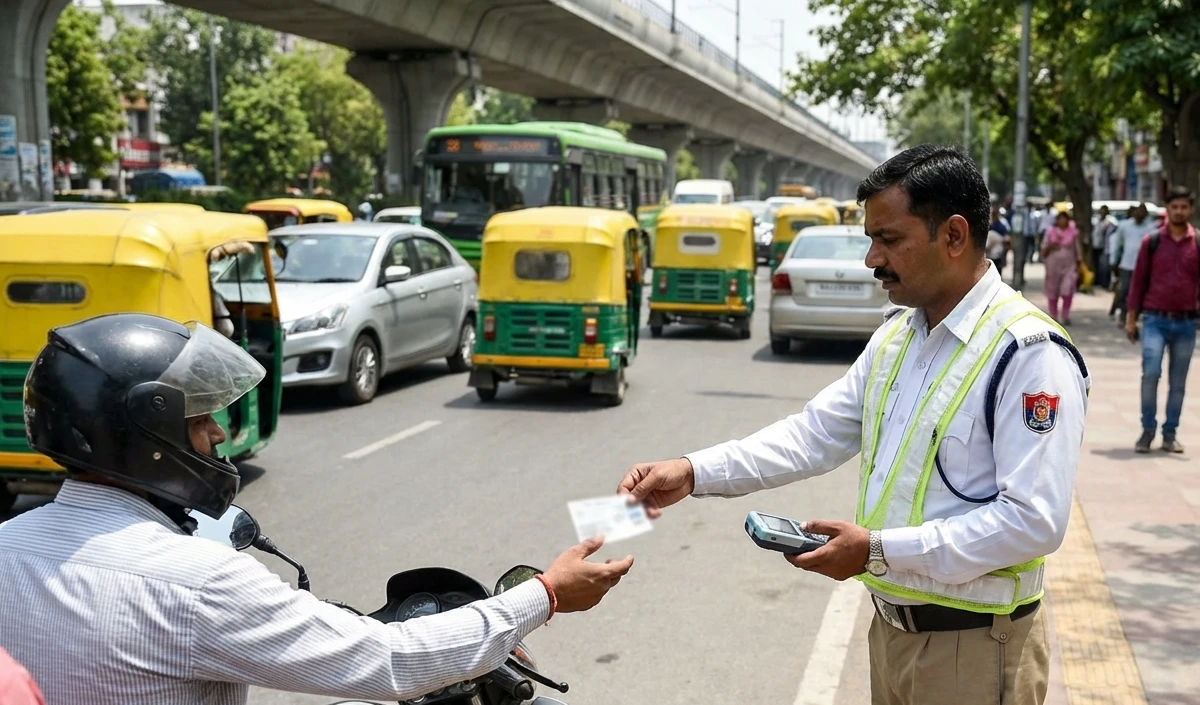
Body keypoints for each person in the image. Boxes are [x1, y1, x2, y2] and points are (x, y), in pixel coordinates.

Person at [617, 145, 1089, 705]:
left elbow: (1033, 522)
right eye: (871, 239)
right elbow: (814, 434)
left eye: (889, 239)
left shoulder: (1029, 353)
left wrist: (877, 551)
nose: (871, 260)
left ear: (954, 236)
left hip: (975, 649)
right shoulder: (898, 336)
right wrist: (694, 471)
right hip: (891, 635)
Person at [0, 313, 634, 705]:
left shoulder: (9, 546)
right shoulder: (195, 581)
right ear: (149, 431)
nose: (219, 435)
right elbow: (396, 661)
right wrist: (546, 593)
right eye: (200, 419)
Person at [1124, 186, 1199, 454]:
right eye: (1174, 207)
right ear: (1168, 211)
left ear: (1191, 209)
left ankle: (1170, 434)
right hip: (1154, 320)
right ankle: (1147, 430)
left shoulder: (1197, 242)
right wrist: (1131, 319)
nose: (1179, 212)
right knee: (1151, 374)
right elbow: (1137, 283)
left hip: (1187, 324)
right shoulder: (1152, 241)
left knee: (1178, 382)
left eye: (1184, 207)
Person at [1109, 203, 1159, 322]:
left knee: (1140, 292)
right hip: (1127, 264)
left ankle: (1134, 316)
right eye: (1138, 212)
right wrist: (1113, 260)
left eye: (1143, 212)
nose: (1140, 214)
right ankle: (1122, 312)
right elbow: (1116, 243)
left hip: (1144, 266)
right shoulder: (1125, 226)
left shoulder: (1151, 228)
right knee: (1124, 290)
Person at [1041, 211, 1084, 325]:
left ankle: (1065, 315)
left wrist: (1079, 264)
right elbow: (1044, 250)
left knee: (1068, 289)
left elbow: (1077, 249)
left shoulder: (1073, 233)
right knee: (1053, 290)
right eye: (1060, 219)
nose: (1062, 221)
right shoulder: (1050, 232)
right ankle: (1053, 315)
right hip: (1053, 265)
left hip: (1069, 266)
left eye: (1064, 219)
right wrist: (1051, 245)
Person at [1092, 205, 1117, 290]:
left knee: (1105, 267)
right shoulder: (1096, 220)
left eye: (1104, 211)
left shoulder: (1111, 222)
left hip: (1106, 247)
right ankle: (1097, 281)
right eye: (1101, 211)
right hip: (1095, 246)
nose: (1102, 213)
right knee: (1096, 265)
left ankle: (1105, 283)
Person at [986, 205, 1011, 276]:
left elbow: (1007, 239)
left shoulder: (1001, 226)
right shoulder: (990, 226)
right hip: (990, 254)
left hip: (998, 254)